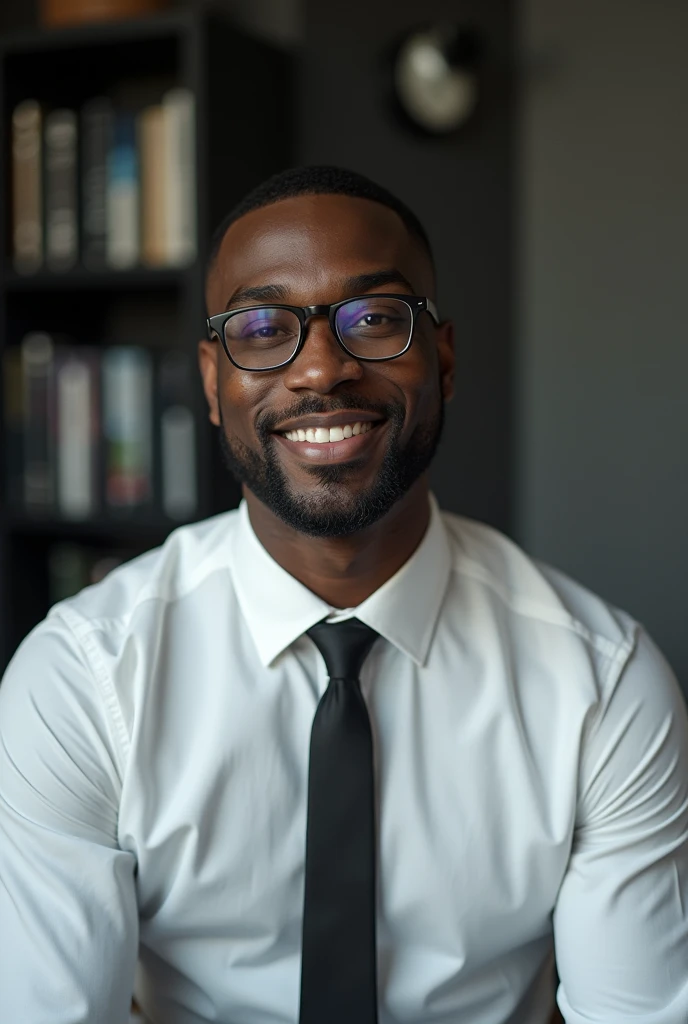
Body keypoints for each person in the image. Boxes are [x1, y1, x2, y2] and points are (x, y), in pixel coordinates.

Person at [0, 165, 686, 1024]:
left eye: (373, 318)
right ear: (213, 384)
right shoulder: (82, 682)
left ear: (442, 356)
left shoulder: (604, 686)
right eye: (261, 326)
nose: (321, 369)